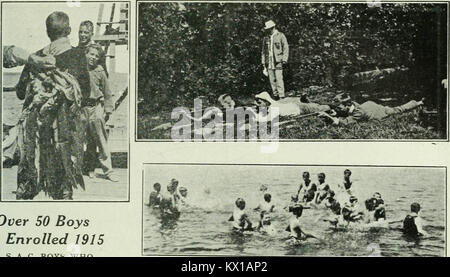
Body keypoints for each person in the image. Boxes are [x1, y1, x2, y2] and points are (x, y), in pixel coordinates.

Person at [15, 11, 89, 200]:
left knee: (30, 171)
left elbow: (20, 92)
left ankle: (27, 188)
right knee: (62, 183)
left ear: (47, 32)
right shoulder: (78, 55)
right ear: (70, 30)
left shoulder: (35, 57)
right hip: (63, 130)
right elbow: (85, 93)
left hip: (37, 130)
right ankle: (63, 193)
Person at [80, 43, 116, 181]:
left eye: (96, 56)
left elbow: (107, 93)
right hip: (81, 108)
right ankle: (79, 170)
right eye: (91, 54)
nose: (93, 57)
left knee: (101, 140)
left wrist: (108, 111)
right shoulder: (79, 69)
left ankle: (108, 171)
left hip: (96, 108)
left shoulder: (100, 71)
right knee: (78, 139)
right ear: (86, 54)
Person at [323, 93, 425, 125]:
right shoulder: (358, 105)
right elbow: (350, 111)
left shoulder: (358, 113)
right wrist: (337, 113)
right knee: (399, 108)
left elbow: (344, 122)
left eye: (340, 106)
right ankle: (418, 102)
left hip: (383, 116)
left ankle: (419, 103)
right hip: (383, 109)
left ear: (347, 105)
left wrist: (329, 118)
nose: (339, 108)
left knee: (399, 110)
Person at [254, 91, 330, 121]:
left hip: (299, 108)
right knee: (316, 106)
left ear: (266, 101)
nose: (259, 105)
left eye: (260, 103)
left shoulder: (273, 107)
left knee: (322, 108)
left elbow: (268, 119)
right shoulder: (272, 104)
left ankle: (337, 108)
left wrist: (255, 117)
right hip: (296, 106)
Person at [261, 20, 289, 100]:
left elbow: (285, 47)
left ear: (273, 27)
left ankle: (281, 96)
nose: (268, 30)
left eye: (269, 28)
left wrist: (284, 59)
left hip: (278, 61)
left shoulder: (280, 35)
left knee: (279, 78)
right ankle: (275, 95)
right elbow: (263, 51)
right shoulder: (266, 38)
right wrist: (263, 62)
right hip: (269, 61)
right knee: (272, 80)